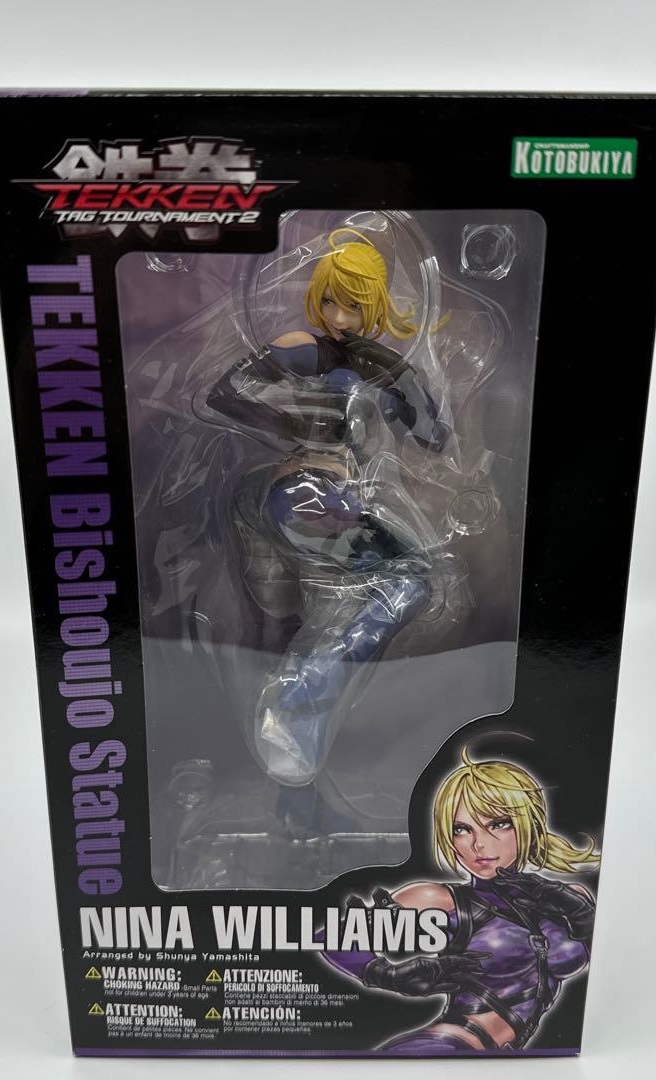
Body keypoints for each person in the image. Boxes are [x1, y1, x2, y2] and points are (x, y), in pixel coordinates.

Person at [206, 228, 449, 788]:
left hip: (324, 495)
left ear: (375, 307)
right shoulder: (303, 347)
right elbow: (224, 392)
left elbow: (432, 436)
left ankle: (301, 698)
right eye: (332, 301)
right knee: (408, 578)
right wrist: (288, 424)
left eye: (354, 306)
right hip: (302, 495)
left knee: (405, 579)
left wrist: (403, 380)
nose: (339, 317)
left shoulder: (375, 362)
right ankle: (302, 691)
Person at [322, 750, 600, 1052]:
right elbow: (329, 937)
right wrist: (384, 974)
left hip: (500, 1059)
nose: (478, 844)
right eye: (462, 829)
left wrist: (583, 918)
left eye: (498, 824)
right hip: (449, 1043)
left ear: (527, 824)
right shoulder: (439, 899)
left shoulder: (571, 897)